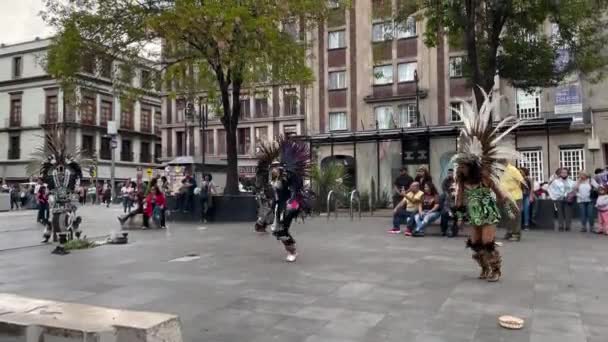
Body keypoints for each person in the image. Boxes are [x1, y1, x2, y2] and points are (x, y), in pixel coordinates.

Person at [451, 88, 524, 283]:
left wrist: (510, 209)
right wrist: (458, 218)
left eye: (464, 166)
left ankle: (496, 270)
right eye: (461, 166)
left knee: (487, 242)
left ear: (472, 166)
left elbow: (500, 193)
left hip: (488, 211)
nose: (461, 169)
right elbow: (458, 199)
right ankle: (484, 269)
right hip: (474, 213)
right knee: (475, 243)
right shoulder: (461, 180)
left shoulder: (484, 178)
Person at [254, 136, 311, 262]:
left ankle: (293, 251)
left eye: (275, 167)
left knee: (281, 229)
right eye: (272, 168)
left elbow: (296, 189)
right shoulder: (273, 174)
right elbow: (274, 189)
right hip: (278, 205)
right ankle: (291, 249)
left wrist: (292, 202)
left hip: (289, 204)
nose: (273, 170)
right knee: (276, 230)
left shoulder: (291, 173)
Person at [500, 162, 524, 241]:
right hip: (505, 197)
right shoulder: (499, 170)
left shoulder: (513, 169)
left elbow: (521, 181)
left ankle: (516, 234)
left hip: (515, 196)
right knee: (508, 215)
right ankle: (509, 232)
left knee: (515, 215)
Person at [548, 168, 576, 232]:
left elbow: (574, 190)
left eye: (565, 172)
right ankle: (560, 225)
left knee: (568, 212)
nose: (564, 174)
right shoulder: (556, 181)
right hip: (559, 198)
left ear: (568, 173)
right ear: (560, 174)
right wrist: (554, 197)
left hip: (568, 199)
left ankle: (568, 226)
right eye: (562, 172)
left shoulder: (571, 181)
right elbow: (551, 188)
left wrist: (571, 195)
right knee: (560, 212)